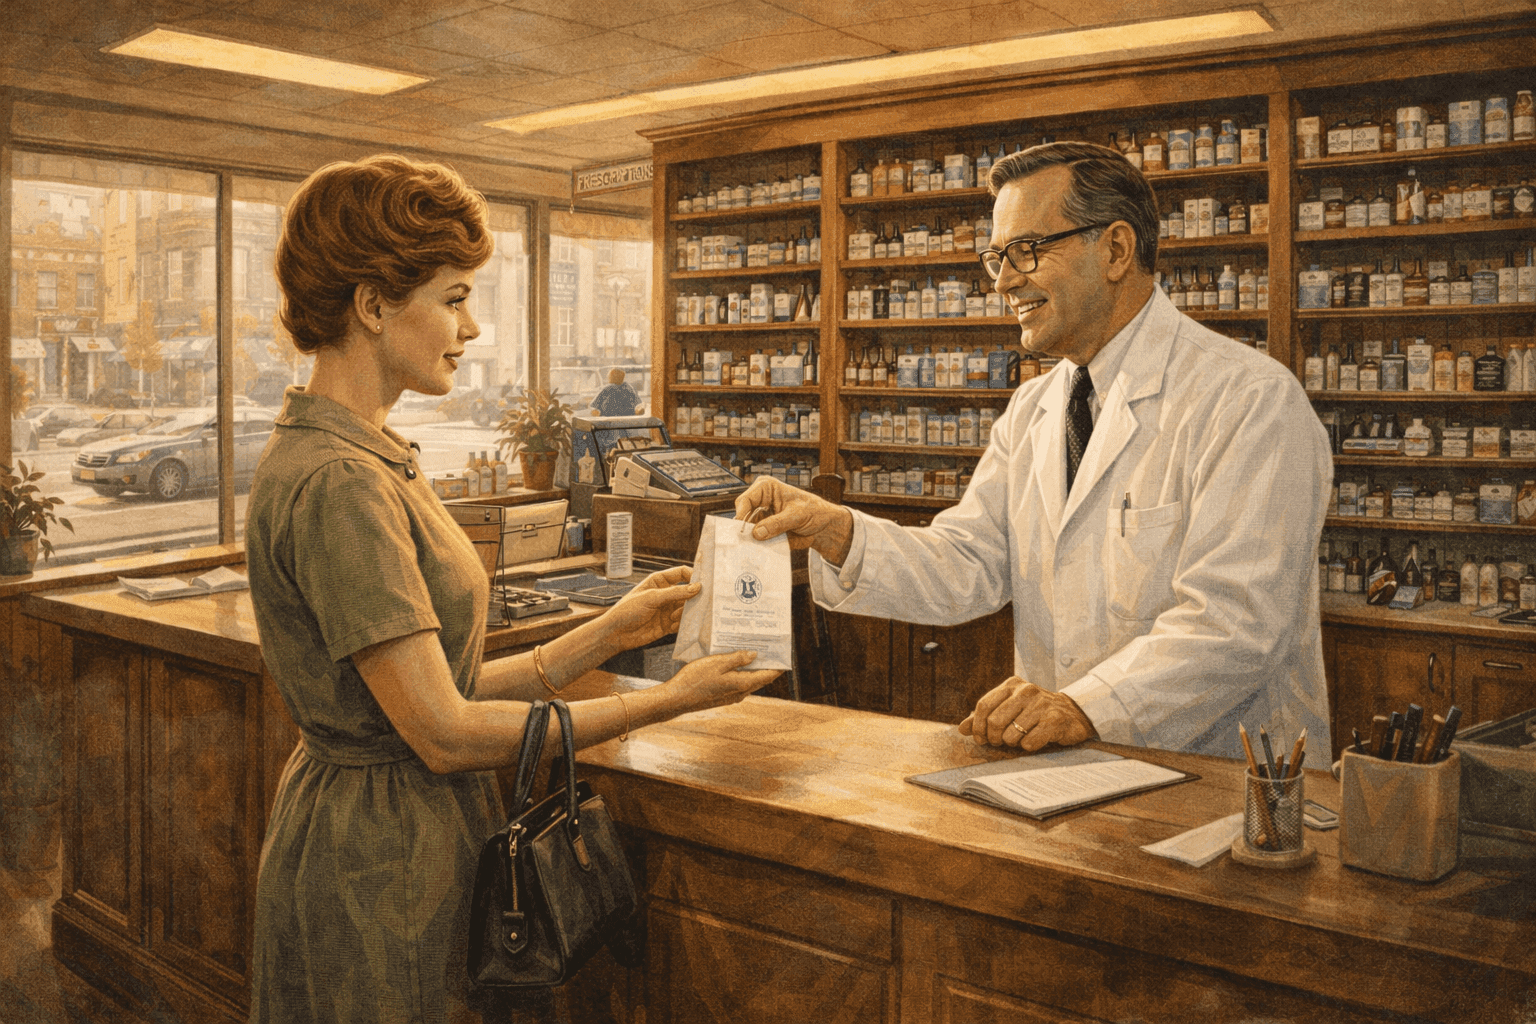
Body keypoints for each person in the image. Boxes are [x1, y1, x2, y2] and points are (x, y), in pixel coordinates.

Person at [245, 154, 780, 1024]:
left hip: (409, 833)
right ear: (374, 306)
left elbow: (431, 697)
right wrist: (665, 704)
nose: (473, 327)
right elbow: (448, 733)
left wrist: (606, 635)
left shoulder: (369, 454)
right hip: (378, 859)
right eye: (454, 298)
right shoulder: (339, 480)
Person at [738, 141, 1332, 761]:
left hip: (1221, 787)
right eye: (996, 258)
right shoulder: (1034, 408)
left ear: (1116, 250)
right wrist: (838, 532)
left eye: (1025, 251)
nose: (1002, 282)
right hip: (1066, 770)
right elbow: (969, 562)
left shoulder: (1249, 401)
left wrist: (1085, 705)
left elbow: (1234, 624)